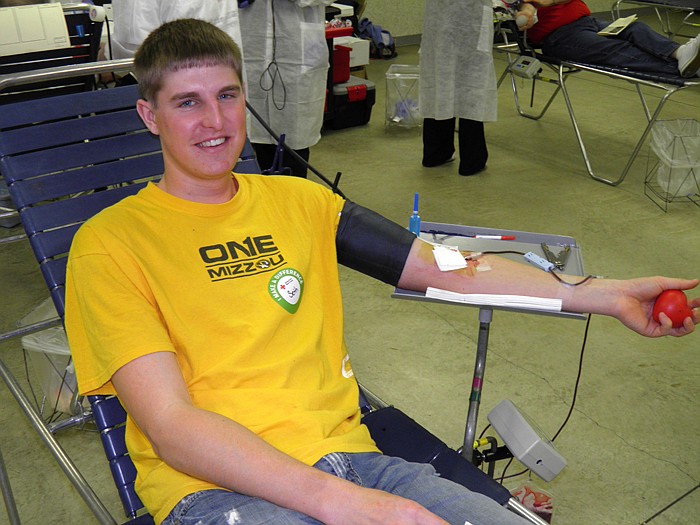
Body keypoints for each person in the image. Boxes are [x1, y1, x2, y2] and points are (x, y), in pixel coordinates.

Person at [64, 19, 698, 525]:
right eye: (187, 103)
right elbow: (172, 429)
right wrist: (345, 506)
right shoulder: (110, 245)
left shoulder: (302, 202)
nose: (215, 121)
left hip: (356, 462)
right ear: (149, 116)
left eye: (227, 95)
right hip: (215, 491)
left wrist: (608, 295)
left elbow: (446, 266)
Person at [238, 0, 334, 178]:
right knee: (252, 139)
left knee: (293, 143)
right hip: (250, 45)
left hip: (296, 52)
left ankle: (292, 199)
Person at [515, 0, 700, 78]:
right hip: (560, 36)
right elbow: (527, 5)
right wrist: (527, 13)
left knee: (635, 28)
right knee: (616, 49)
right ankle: (690, 69)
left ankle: (681, 52)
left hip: (589, 22)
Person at [420, 0, 497, 176]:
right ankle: (472, 160)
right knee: (472, 86)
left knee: (440, 78)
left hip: (439, 17)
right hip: (472, 18)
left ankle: (436, 152)